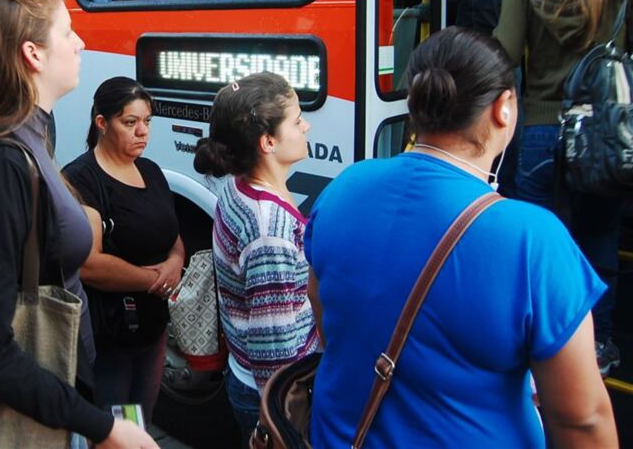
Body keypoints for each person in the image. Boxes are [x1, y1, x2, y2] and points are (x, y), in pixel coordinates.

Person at [305, 27, 617, 447]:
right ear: (504, 108)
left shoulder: (344, 187)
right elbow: (582, 422)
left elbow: (328, 325)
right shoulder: (532, 238)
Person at [0, 0, 157, 448]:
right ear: (33, 53)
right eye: (67, 32)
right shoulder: (2, 162)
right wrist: (103, 427)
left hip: (62, 390)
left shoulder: (31, 134)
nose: (80, 43)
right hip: (36, 414)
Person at [494, 0, 633, 377]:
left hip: (539, 132)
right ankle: (597, 350)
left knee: (538, 247)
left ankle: (535, 349)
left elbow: (504, 51)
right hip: (605, 133)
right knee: (598, 243)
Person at [192, 72, 319, 446]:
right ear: (267, 142)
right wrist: (285, 417)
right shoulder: (269, 231)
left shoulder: (238, 183)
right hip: (271, 395)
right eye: (296, 121)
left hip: (246, 378)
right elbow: (274, 352)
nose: (305, 125)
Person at [63, 77, 184, 420]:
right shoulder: (82, 178)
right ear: (101, 123)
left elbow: (171, 233)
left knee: (140, 419)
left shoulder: (151, 171)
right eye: (130, 123)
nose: (142, 132)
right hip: (111, 334)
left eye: (147, 122)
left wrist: (174, 264)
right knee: (116, 424)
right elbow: (90, 264)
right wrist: (152, 279)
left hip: (153, 328)